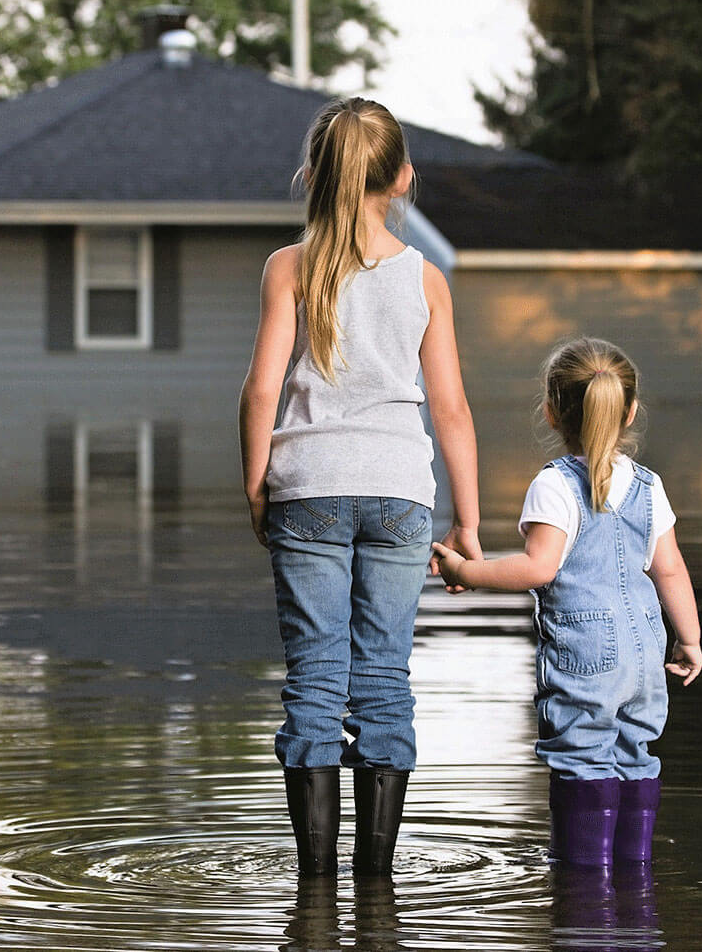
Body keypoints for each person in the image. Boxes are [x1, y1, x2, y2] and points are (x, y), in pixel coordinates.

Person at [238, 97, 481, 877]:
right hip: (401, 492)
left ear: (311, 176)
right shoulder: (426, 279)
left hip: (305, 485)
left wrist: (256, 486)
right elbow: (450, 409)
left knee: (315, 677)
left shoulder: (291, 266)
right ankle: (376, 887)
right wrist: (469, 524)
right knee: (382, 676)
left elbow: (260, 389)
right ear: (403, 179)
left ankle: (314, 887)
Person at [432, 337, 702, 868]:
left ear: (552, 411)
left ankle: (584, 895)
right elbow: (669, 566)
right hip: (646, 650)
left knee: (584, 757)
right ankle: (634, 884)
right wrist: (689, 638)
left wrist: (468, 570)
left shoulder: (554, 485)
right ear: (629, 412)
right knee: (635, 753)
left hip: (588, 651)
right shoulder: (648, 486)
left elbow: (540, 567)